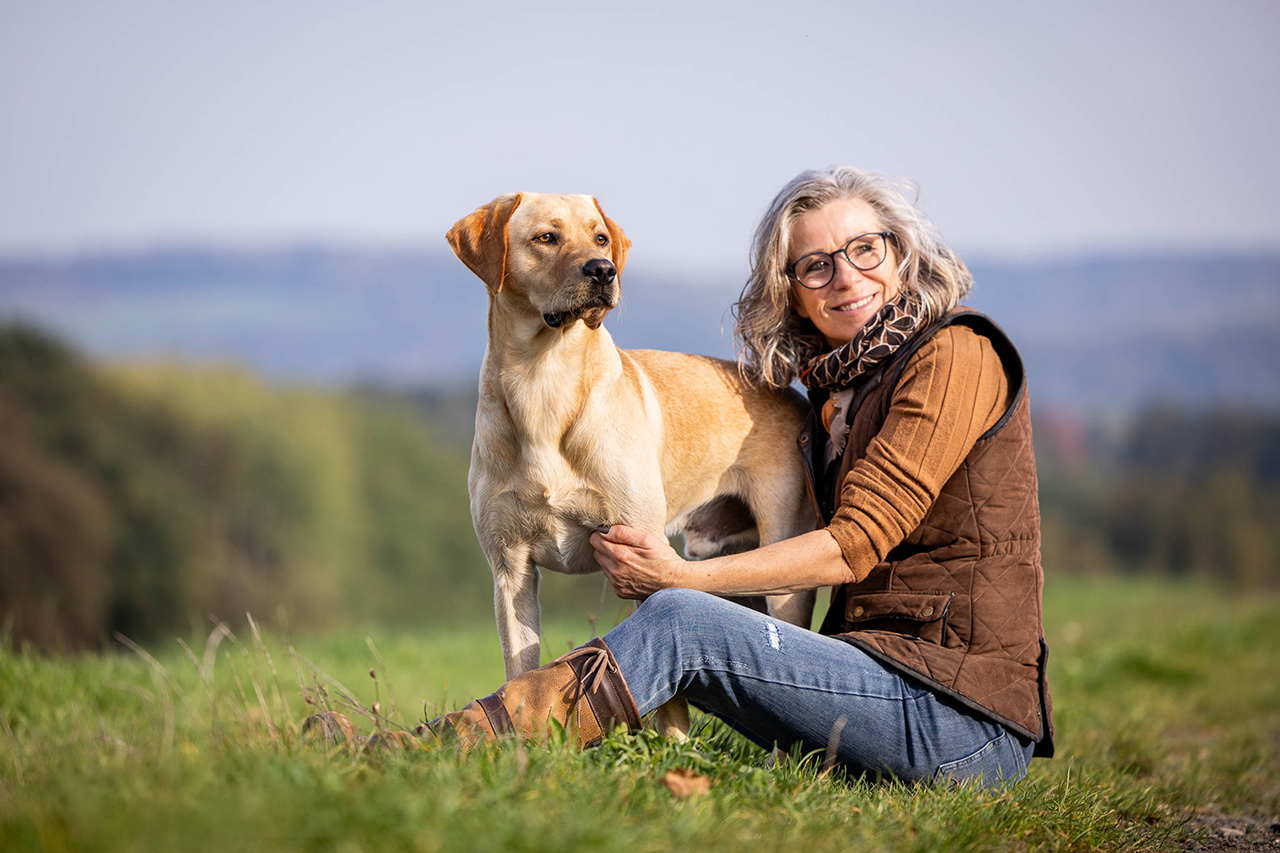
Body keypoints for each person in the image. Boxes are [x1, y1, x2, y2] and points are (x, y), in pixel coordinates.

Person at [316, 166, 1054, 787]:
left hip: (960, 719)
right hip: (869, 676)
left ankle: (444, 750)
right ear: (791, 287)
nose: (846, 276)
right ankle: (502, 752)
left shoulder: (957, 354)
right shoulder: (840, 388)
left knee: (681, 617)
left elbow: (851, 547)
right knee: (685, 621)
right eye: (817, 264)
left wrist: (683, 576)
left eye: (867, 249)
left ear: (903, 252)